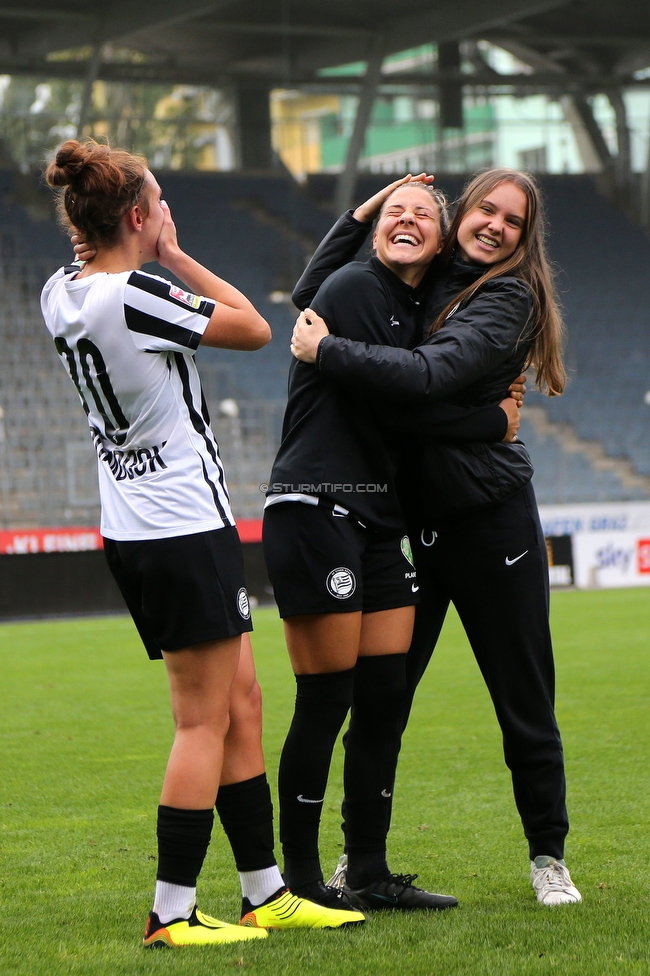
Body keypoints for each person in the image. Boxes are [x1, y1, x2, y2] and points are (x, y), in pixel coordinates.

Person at [40, 138, 366, 949]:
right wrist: (177, 256)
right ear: (143, 216)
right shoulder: (137, 293)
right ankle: (171, 911)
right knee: (201, 721)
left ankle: (266, 892)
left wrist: (135, 239)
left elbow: (95, 258)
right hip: (180, 528)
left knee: (240, 704)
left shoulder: (62, 290)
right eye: (158, 204)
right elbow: (257, 327)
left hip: (144, 525)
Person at [291, 167, 582, 907]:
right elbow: (312, 296)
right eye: (486, 208)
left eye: (512, 221)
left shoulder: (510, 295)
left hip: (492, 525)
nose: (495, 225)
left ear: (525, 237)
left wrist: (331, 356)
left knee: (523, 699)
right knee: (382, 700)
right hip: (413, 529)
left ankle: (548, 856)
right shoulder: (425, 279)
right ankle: (362, 862)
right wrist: (365, 210)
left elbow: (426, 379)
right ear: (465, 213)